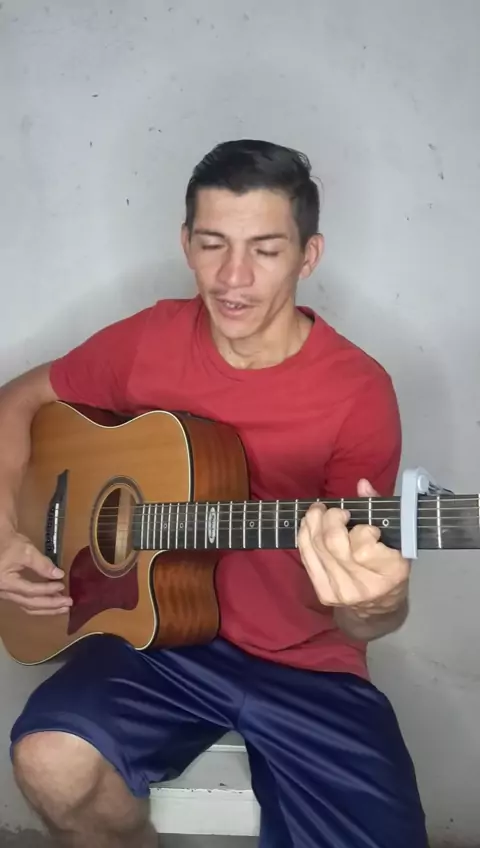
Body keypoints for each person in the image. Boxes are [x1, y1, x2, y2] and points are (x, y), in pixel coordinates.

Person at [0, 139, 427, 848]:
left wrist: (377, 606)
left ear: (308, 256)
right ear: (185, 244)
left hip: (308, 664)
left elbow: (359, 618)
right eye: (212, 244)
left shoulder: (358, 393)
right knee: (48, 760)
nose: (233, 277)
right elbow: (16, 401)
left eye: (266, 249)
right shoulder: (149, 341)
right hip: (161, 646)